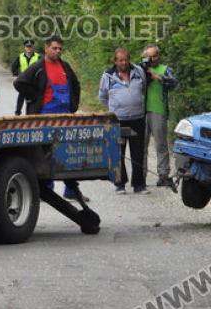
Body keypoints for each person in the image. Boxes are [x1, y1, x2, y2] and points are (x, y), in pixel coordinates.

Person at [14, 35, 86, 201]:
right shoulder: (38, 67)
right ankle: (46, 190)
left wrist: (73, 106)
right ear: (46, 48)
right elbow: (19, 83)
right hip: (44, 119)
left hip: (65, 118)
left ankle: (71, 190)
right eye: (55, 48)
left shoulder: (65, 67)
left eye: (60, 49)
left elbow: (76, 85)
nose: (58, 51)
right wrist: (34, 96)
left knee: (67, 153)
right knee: (43, 155)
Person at [98, 48, 149, 195]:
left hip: (138, 118)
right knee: (119, 152)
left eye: (126, 59)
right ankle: (120, 184)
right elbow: (103, 96)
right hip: (118, 120)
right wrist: (114, 109)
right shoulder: (108, 75)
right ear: (115, 61)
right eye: (121, 60)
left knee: (138, 152)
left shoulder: (138, 71)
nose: (124, 63)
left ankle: (139, 184)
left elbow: (143, 88)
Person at [142, 44, 178, 188]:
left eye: (155, 56)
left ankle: (163, 175)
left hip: (159, 110)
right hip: (141, 111)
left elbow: (174, 82)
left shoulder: (165, 69)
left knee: (161, 145)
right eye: (149, 56)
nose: (152, 59)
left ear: (159, 55)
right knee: (141, 146)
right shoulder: (140, 70)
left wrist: (157, 77)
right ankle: (140, 176)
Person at [11, 39, 41, 115]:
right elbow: (14, 66)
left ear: (32, 47)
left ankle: (31, 113)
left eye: (30, 47)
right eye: (27, 47)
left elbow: (43, 68)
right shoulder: (20, 57)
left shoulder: (38, 57)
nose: (29, 48)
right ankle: (17, 113)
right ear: (25, 48)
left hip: (34, 82)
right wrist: (16, 75)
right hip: (24, 81)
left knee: (32, 98)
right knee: (21, 97)